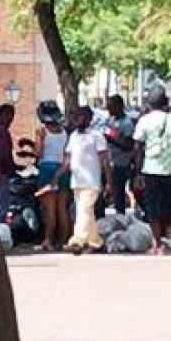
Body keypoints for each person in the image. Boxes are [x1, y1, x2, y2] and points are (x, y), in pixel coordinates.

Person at [131, 88, 171, 255]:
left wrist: (137, 173)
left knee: (152, 208)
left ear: (150, 103)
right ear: (166, 102)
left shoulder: (144, 121)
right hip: (169, 170)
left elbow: (138, 148)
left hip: (150, 169)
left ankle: (157, 243)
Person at [59, 106, 108, 255]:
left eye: (82, 117)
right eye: (76, 116)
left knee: (84, 210)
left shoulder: (96, 136)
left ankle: (76, 241)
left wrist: (109, 183)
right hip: (77, 181)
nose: (78, 119)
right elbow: (67, 160)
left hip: (91, 181)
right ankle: (96, 242)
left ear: (89, 119)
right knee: (86, 213)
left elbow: (104, 160)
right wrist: (57, 177)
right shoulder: (73, 136)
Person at [35, 110, 71, 252]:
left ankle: (48, 240)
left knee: (49, 209)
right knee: (62, 208)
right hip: (63, 169)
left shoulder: (42, 131)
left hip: (46, 169)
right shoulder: (65, 132)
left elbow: (39, 153)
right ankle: (63, 240)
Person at [100, 95, 135, 217]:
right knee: (103, 192)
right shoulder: (109, 120)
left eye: (111, 107)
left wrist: (113, 139)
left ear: (119, 107)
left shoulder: (127, 123)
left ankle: (120, 219)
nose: (109, 110)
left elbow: (129, 144)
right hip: (107, 162)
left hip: (120, 164)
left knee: (118, 194)